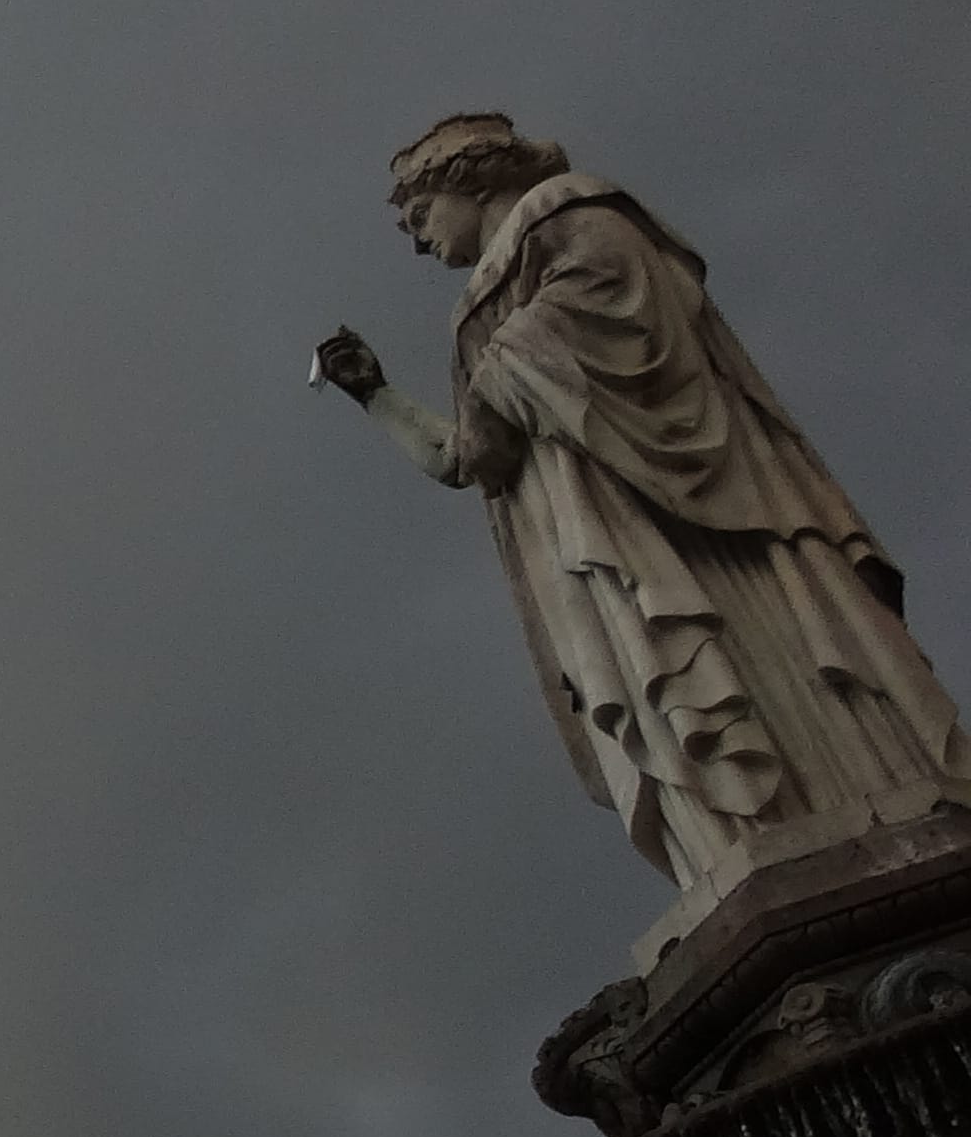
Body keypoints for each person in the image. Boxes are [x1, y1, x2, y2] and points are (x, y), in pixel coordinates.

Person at [314, 114, 971, 909]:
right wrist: (377, 396)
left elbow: (630, 325)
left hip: (685, 520)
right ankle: (735, 845)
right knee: (671, 710)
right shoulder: (486, 310)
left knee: (751, 667)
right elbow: (470, 460)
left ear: (470, 180)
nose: (418, 243)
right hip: (595, 541)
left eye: (418, 216)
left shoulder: (572, 214)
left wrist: (497, 371)